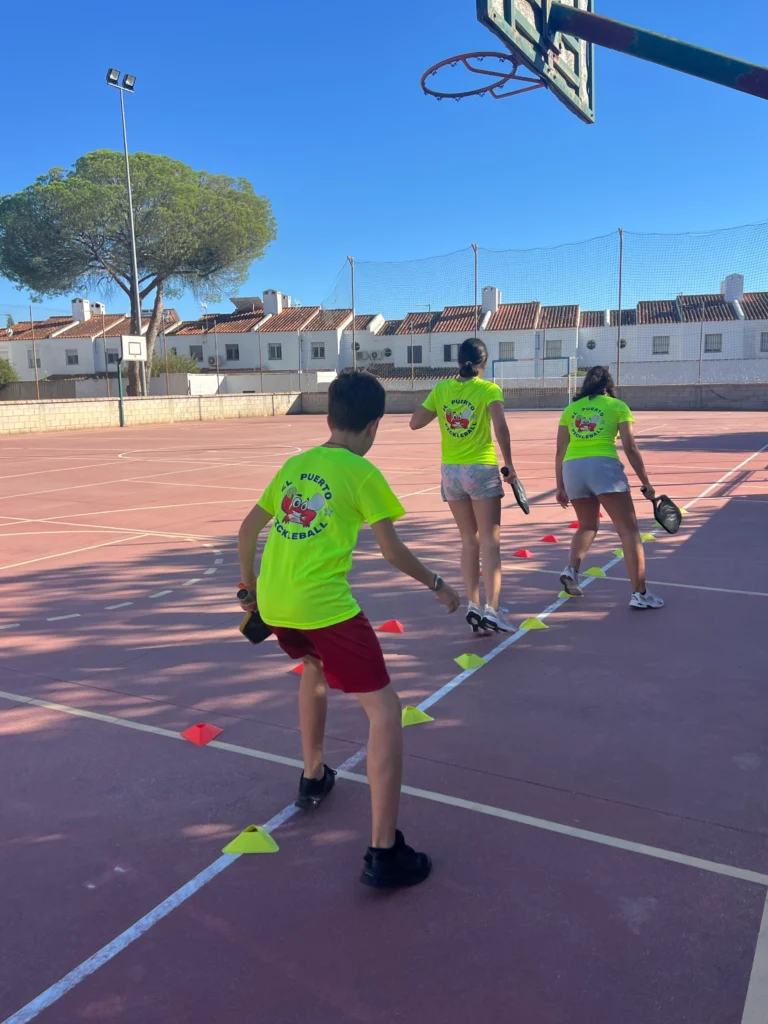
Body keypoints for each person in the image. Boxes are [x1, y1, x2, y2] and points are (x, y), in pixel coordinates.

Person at [237, 369, 460, 889]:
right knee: (384, 711)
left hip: (276, 602)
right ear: (374, 425)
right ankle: (384, 851)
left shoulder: (296, 464)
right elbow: (391, 550)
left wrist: (248, 590)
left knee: (312, 667)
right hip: (323, 606)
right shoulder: (363, 473)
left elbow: (248, 530)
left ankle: (313, 775)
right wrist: (438, 585)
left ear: (330, 416)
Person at [409, 337, 517, 634]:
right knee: (490, 542)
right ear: (484, 363)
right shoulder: (488, 389)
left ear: (458, 362)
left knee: (469, 540)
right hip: (480, 469)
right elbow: (501, 426)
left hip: (451, 473)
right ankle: (493, 610)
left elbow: (415, 423)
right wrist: (509, 465)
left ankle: (473, 604)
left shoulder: (443, 389)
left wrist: (440, 409)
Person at [555, 365, 664, 610]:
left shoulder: (570, 410)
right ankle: (640, 593)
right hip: (603, 467)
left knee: (587, 525)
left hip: (572, 469)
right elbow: (630, 447)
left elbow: (560, 451)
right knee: (629, 532)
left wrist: (559, 486)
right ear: (610, 385)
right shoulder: (618, 406)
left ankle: (571, 570)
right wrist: (646, 482)